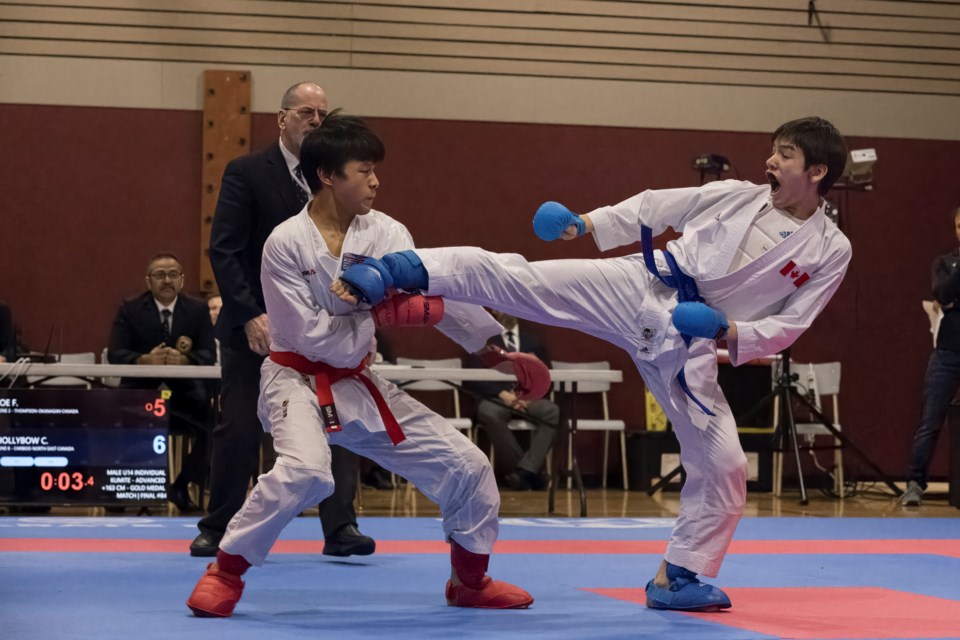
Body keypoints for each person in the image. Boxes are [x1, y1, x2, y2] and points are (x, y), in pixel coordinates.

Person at [336, 116, 852, 612]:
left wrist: (728, 331)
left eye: (785, 154)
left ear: (817, 172)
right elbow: (657, 207)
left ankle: (679, 576)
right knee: (521, 279)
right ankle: (397, 269)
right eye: (774, 149)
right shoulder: (739, 193)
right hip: (640, 284)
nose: (770, 160)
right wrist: (586, 223)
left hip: (688, 333)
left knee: (725, 463)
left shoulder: (830, 249)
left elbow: (795, 322)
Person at [186, 112, 541, 617]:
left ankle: (471, 580)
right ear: (329, 175)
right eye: (364, 169)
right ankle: (226, 569)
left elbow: (432, 283)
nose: (376, 180)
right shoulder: (285, 242)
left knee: (468, 465)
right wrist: (379, 308)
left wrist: (491, 349)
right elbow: (308, 334)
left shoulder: (388, 231)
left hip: (357, 382)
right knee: (307, 470)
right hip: (295, 380)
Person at [196, 82, 373, 558]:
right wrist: (250, 313)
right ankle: (218, 527)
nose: (316, 119)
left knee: (339, 423)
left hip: (325, 328)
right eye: (306, 112)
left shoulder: (337, 179)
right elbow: (225, 250)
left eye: (322, 112)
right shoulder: (249, 171)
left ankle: (341, 527)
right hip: (254, 327)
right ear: (283, 119)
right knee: (238, 426)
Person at [107, 252, 217, 512]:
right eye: (159, 275)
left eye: (172, 275)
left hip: (185, 399)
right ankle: (121, 492)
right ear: (148, 281)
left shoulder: (198, 309)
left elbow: (209, 354)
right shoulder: (130, 308)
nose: (166, 280)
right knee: (108, 423)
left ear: (182, 279)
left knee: (217, 430)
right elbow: (115, 354)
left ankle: (180, 486)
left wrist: (185, 360)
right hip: (139, 397)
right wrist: (145, 360)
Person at [901, 206, 960, 507]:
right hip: (947, 353)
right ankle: (914, 483)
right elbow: (943, 294)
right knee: (931, 419)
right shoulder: (946, 263)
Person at [464, 310, 559, 490]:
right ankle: (527, 472)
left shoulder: (533, 340)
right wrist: (502, 394)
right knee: (488, 412)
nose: (503, 311)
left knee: (551, 411)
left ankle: (523, 473)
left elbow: (546, 375)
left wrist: (529, 395)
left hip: (530, 398)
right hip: (497, 398)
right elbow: (472, 378)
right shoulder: (483, 340)